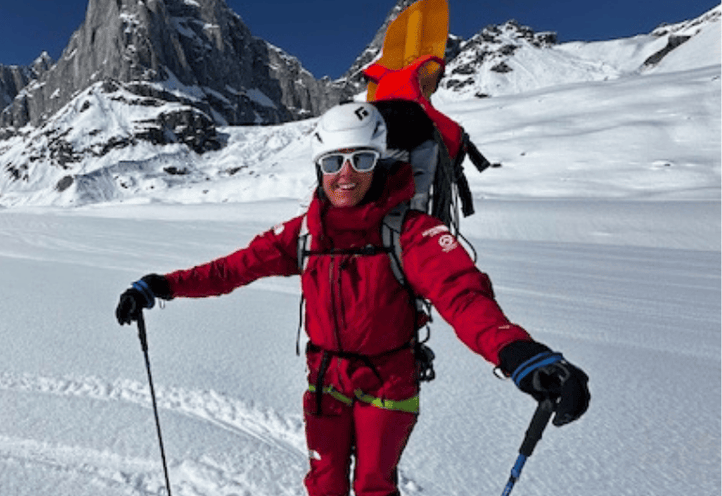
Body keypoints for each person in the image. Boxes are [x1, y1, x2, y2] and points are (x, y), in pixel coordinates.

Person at [115, 101, 590, 496]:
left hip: (390, 382)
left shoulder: (412, 232)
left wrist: (517, 352)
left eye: (360, 160)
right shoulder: (304, 233)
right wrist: (160, 285)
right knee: (324, 483)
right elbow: (231, 270)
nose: (345, 175)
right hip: (325, 380)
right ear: (318, 168)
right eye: (332, 163)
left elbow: (463, 295)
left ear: (378, 161)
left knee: (373, 486)